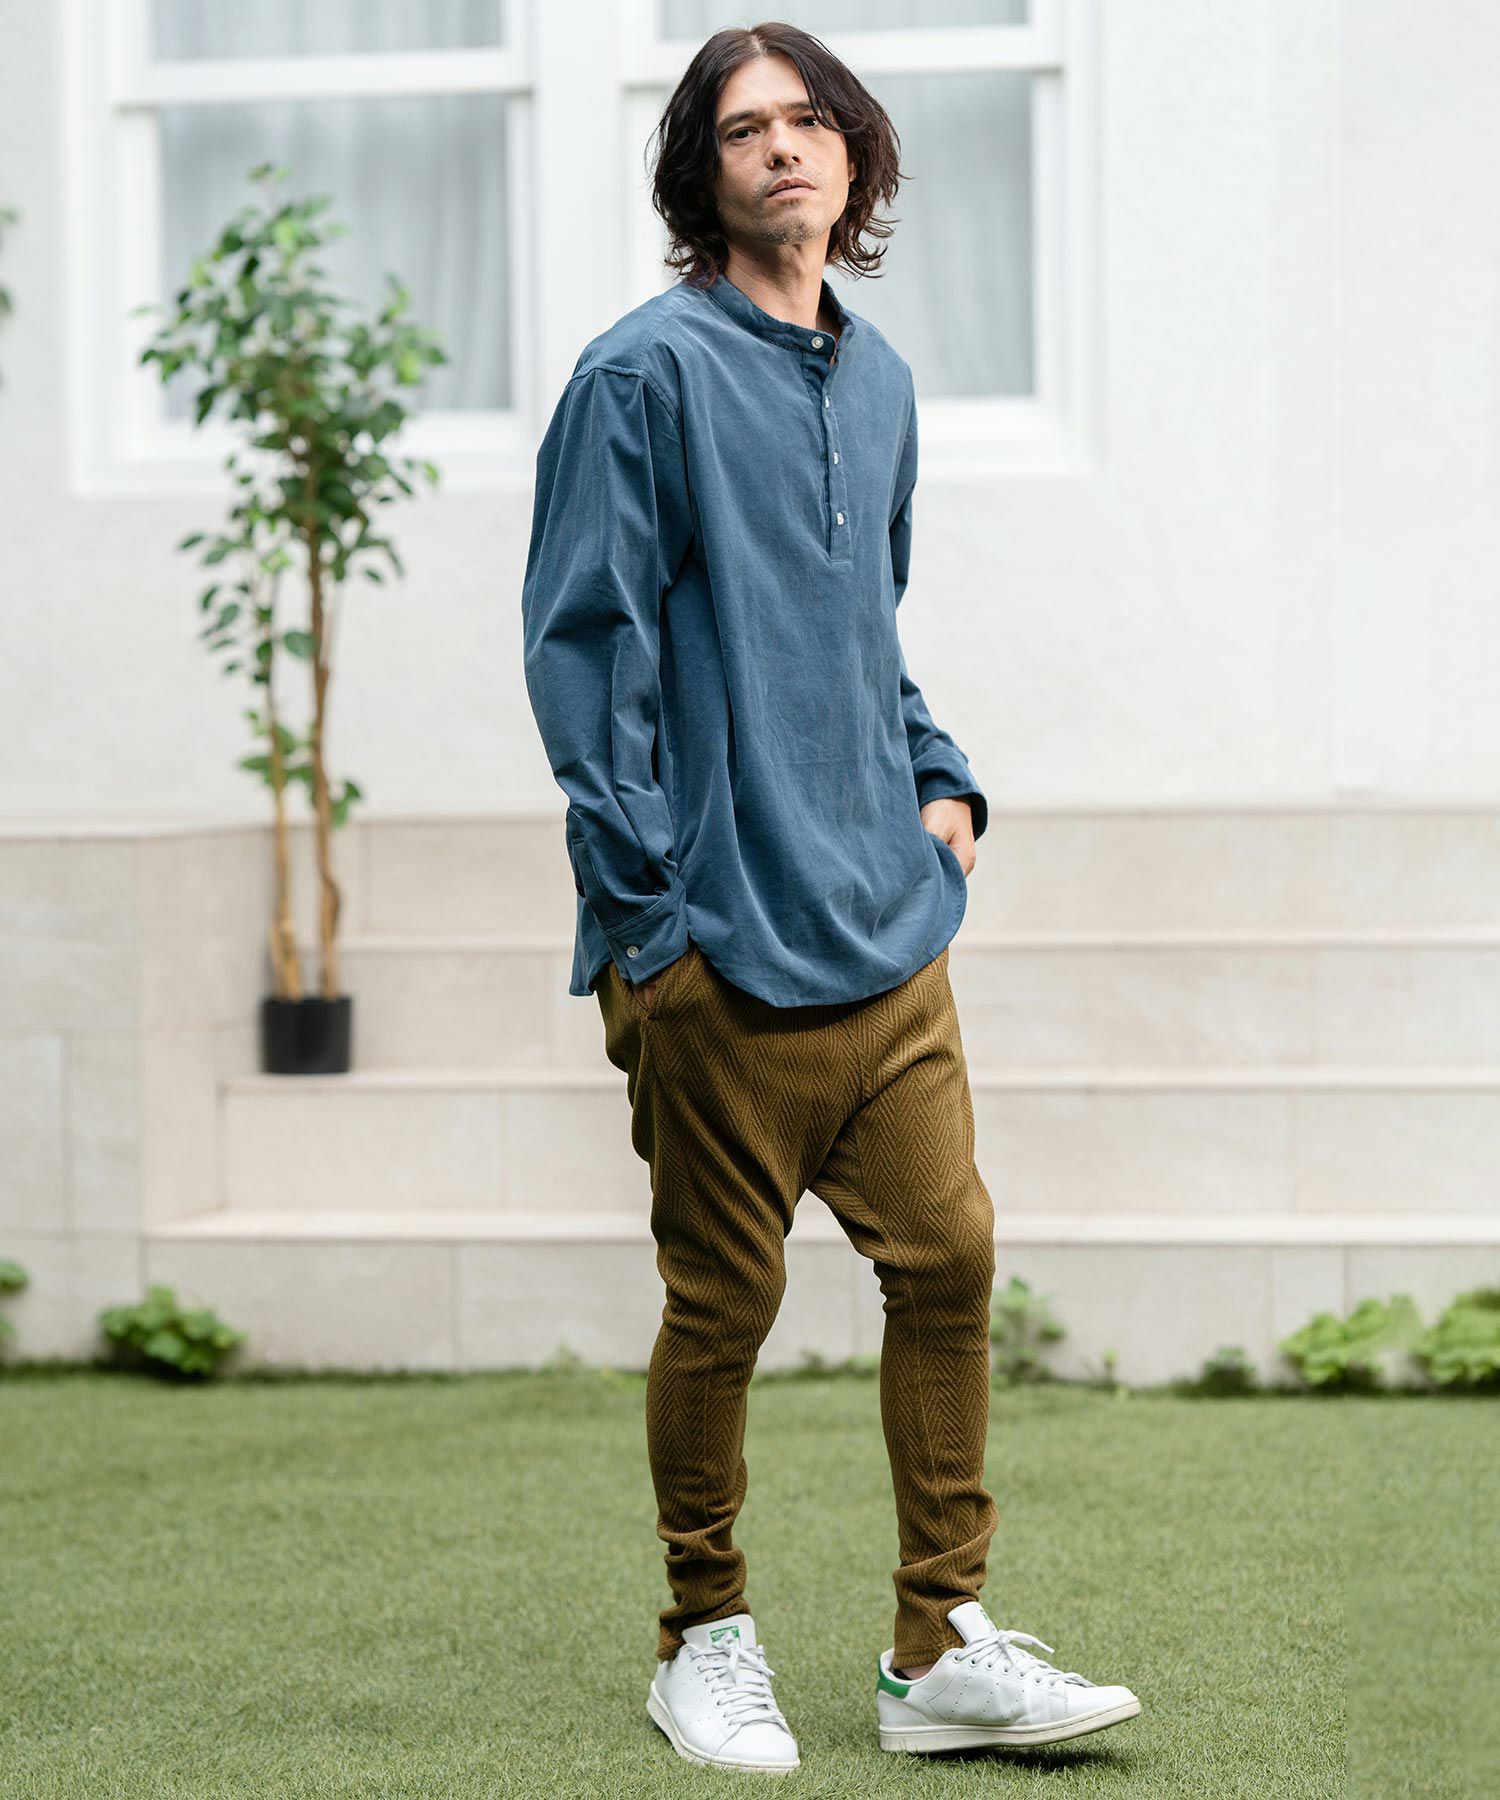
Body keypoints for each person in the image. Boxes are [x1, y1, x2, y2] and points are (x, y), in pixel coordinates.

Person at [520, 19, 1141, 1775]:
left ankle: (939, 1650)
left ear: (853, 154)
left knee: (951, 1259)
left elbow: (862, 624)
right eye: (743, 130)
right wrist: (655, 925)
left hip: (888, 925)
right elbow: (586, 660)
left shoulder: (882, 385)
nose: (782, 147)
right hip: (717, 944)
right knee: (725, 1307)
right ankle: (700, 1637)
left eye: (809, 121)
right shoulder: (638, 379)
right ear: (700, 173)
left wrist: (940, 777)